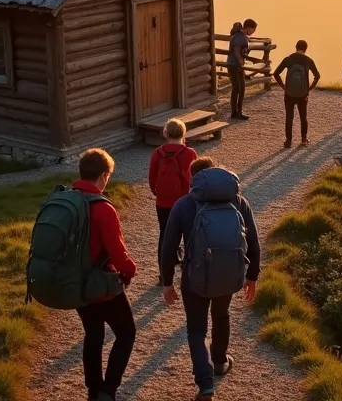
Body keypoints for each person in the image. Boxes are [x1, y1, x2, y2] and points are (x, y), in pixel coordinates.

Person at [160, 157, 261, 401]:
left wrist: (167, 281)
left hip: (194, 277)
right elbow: (253, 243)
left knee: (196, 329)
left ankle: (205, 386)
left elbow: (168, 246)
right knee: (222, 314)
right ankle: (219, 361)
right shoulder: (239, 202)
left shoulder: (183, 204)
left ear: (192, 177)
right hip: (228, 274)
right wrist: (252, 276)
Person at [72, 149, 139, 401]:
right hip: (101, 284)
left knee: (93, 334)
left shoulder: (67, 200)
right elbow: (117, 252)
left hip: (74, 283)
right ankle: (108, 390)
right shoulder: (103, 209)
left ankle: (93, 389)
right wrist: (130, 270)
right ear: (103, 175)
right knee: (126, 333)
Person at [149, 118, 198, 266]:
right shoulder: (190, 153)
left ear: (165, 133)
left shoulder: (157, 153)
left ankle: (164, 270)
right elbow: (195, 177)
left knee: (165, 233)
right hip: (185, 200)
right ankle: (189, 267)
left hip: (163, 201)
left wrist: (156, 192)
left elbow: (152, 177)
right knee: (189, 233)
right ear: (183, 133)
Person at [272, 40, 321, 149]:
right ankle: (303, 139)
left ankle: (288, 141)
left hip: (289, 93)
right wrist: (309, 88)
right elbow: (317, 76)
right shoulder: (308, 60)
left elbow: (276, 74)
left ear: (296, 47)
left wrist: (284, 86)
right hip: (303, 94)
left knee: (289, 117)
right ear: (306, 49)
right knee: (303, 117)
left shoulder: (288, 59)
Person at [226, 19, 257, 121]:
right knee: (238, 88)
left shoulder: (240, 36)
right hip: (234, 65)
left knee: (240, 88)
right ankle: (236, 112)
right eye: (253, 30)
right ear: (248, 28)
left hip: (235, 65)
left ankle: (237, 111)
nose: (253, 32)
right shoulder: (240, 37)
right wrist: (240, 62)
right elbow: (236, 50)